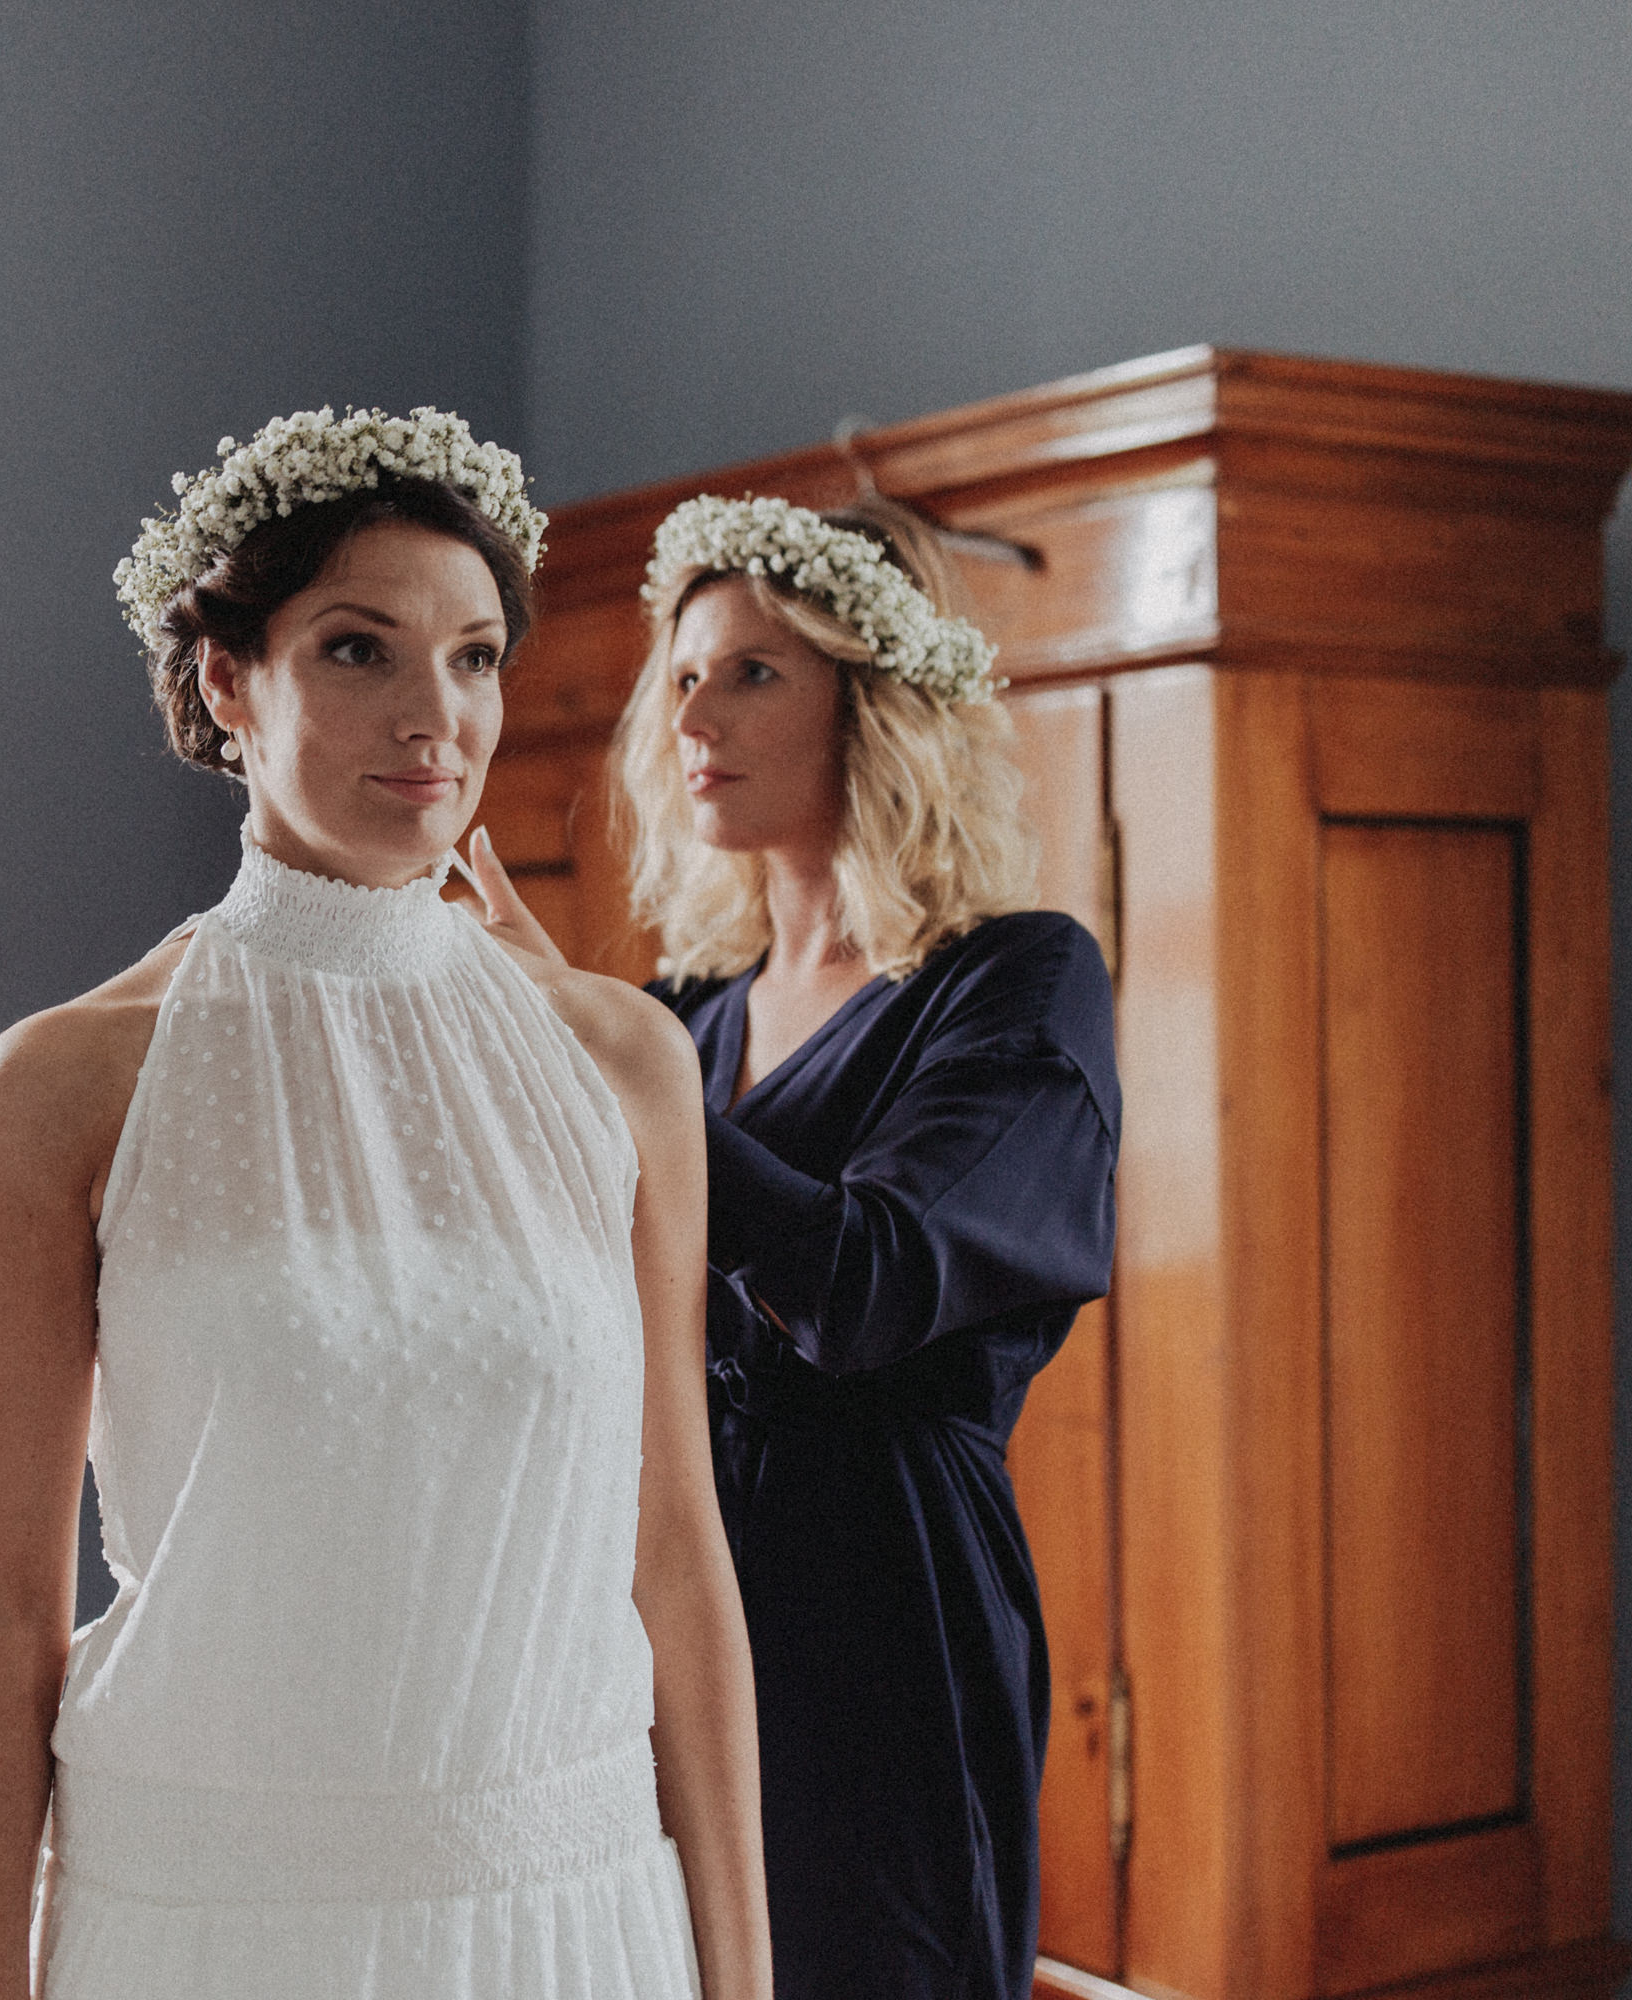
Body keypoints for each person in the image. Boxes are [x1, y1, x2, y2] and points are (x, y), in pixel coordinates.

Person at [0, 409, 770, 2000]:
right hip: (204, 1929)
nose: (432, 718)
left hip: (568, 1917)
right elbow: (2, 1614)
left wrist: (744, 1978)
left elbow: (675, 1552)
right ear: (229, 685)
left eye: (471, 658)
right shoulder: (64, 1085)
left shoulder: (624, 1063)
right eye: (358, 651)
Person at [468, 491, 1117, 2000]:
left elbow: (870, 1283)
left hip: (887, 1611)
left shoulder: (1017, 983)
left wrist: (596, 1042)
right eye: (683, 672)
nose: (696, 710)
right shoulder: (692, 1024)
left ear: (875, 703)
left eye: (754, 670)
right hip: (666, 1607)